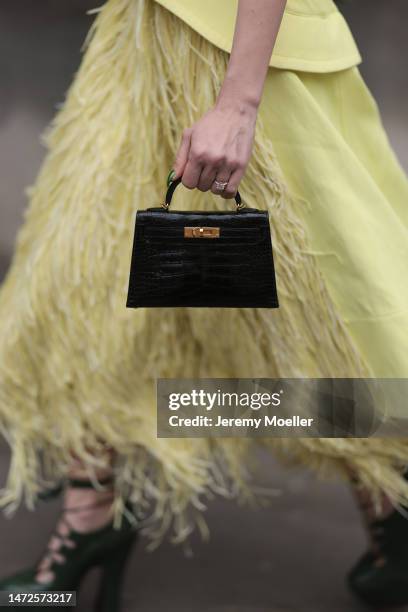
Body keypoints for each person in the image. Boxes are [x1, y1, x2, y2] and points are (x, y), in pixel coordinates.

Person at [0, 0, 407, 609]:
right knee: (74, 299)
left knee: (328, 325)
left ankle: (390, 499)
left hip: (240, 58)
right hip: (136, 53)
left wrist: (238, 103)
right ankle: (90, 517)